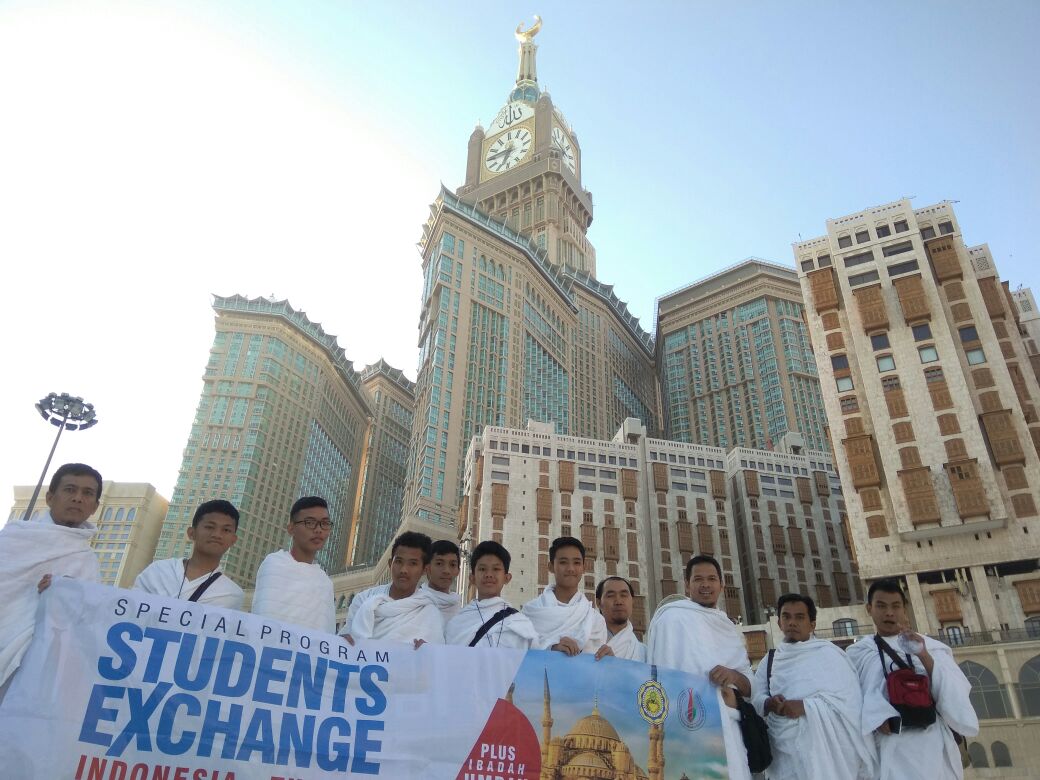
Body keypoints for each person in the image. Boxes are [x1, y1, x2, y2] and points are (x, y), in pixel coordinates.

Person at [847, 579, 979, 780]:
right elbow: (849, 701)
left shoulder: (932, 647)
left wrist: (923, 654)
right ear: (869, 609)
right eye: (881, 606)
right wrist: (875, 716)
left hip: (931, 745)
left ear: (904, 609)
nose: (889, 613)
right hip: (887, 748)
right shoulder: (858, 654)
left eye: (895, 606)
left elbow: (955, 693)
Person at [646, 554, 753, 780]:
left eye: (712, 579)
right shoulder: (673, 618)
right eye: (698, 579)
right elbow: (663, 675)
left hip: (729, 729)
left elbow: (750, 686)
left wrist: (732, 674)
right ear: (687, 584)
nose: (705, 585)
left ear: (721, 585)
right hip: (685, 727)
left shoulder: (727, 626)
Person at [0, 463, 103, 689]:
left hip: (35, 670)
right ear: (49, 497)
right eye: (69, 489)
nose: (77, 498)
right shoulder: (12, 538)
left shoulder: (87, 561)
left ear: (95, 507)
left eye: (87, 493)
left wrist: (62, 597)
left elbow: (86, 620)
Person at [752, 594, 876, 780]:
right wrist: (769, 703)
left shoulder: (830, 656)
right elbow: (755, 700)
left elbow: (851, 705)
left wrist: (806, 707)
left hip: (830, 757)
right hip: (783, 757)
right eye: (786, 617)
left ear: (812, 624)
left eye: (800, 617)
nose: (792, 622)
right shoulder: (770, 660)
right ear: (779, 623)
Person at [133, 499, 244, 609]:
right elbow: (131, 609)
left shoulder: (231, 595)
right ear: (191, 533)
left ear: (233, 540)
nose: (217, 534)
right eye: (210, 527)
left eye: (226, 530)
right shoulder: (159, 571)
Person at [343, 531, 445, 647]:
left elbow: (436, 658)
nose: (404, 570)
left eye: (413, 563)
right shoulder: (363, 599)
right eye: (399, 562)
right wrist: (343, 641)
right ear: (390, 563)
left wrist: (428, 651)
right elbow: (347, 641)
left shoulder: (430, 614)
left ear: (425, 570)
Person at [251, 496, 335, 633]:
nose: (318, 530)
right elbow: (264, 618)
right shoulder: (274, 564)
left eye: (325, 523)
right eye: (310, 522)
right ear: (291, 529)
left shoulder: (325, 582)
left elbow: (326, 631)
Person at [444, 540, 538, 649]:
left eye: (496, 569)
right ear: (472, 578)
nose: (489, 575)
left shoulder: (520, 624)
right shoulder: (456, 623)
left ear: (507, 578)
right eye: (482, 569)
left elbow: (536, 661)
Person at [521, 536, 607, 655]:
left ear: (584, 568)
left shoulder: (595, 620)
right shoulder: (531, 612)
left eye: (576, 563)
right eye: (563, 562)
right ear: (551, 567)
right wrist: (551, 647)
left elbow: (596, 666)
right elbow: (519, 653)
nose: (570, 569)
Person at [594, 576, 647, 662]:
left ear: (632, 601)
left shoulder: (644, 653)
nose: (618, 601)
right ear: (599, 603)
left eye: (624, 595)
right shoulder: (586, 642)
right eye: (611, 596)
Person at [422, 538, 462, 623]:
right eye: (439, 563)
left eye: (452, 565)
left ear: (458, 571)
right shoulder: (414, 603)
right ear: (427, 568)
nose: (446, 571)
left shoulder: (460, 611)